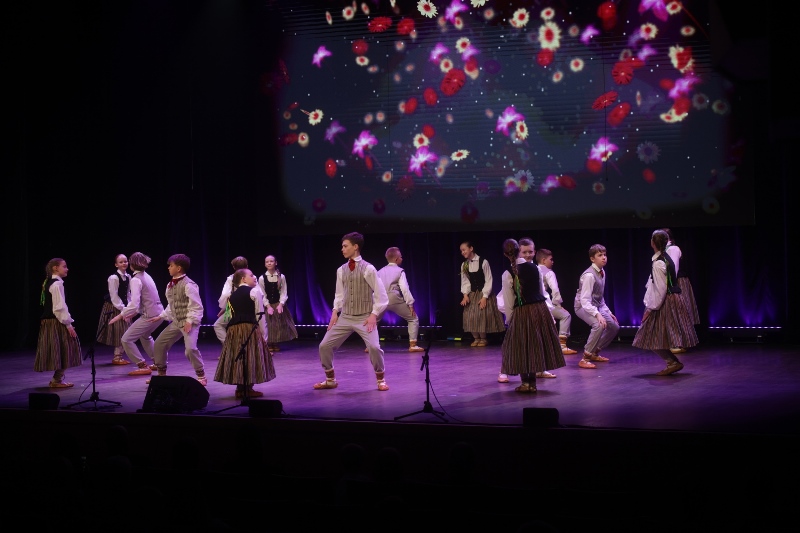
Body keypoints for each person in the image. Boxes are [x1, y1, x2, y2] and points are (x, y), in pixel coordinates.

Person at [314, 232, 390, 391]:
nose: (342, 249)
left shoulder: (368, 268)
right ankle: (330, 380)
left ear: (355, 247)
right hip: (345, 316)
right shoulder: (341, 270)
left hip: (364, 317)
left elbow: (381, 294)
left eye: (345, 246)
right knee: (324, 346)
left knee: (374, 347)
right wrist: (335, 312)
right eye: (342, 246)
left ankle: (381, 380)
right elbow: (339, 294)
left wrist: (373, 315)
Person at [499, 239, 565, 392]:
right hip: (539, 310)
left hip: (522, 312)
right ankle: (532, 384)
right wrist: (548, 312)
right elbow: (542, 293)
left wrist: (510, 319)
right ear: (519, 251)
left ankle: (525, 383)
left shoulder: (507, 273)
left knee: (521, 347)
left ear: (505, 255)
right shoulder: (535, 268)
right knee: (535, 345)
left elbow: (508, 301)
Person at [632, 229, 697, 374]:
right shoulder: (665, 259)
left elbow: (661, 289)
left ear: (652, 243)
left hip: (664, 301)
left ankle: (672, 362)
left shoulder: (659, 263)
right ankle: (672, 362)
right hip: (671, 299)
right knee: (656, 335)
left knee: (650, 335)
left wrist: (650, 309)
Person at [214, 268, 276, 398]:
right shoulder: (254, 291)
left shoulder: (232, 296)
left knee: (239, 355)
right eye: (251, 275)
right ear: (243, 279)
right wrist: (263, 336)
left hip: (234, 330)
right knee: (250, 356)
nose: (254, 277)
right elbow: (259, 315)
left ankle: (240, 388)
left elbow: (230, 315)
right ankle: (247, 388)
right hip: (249, 328)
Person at [146, 254, 207, 385]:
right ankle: (161, 375)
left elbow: (196, 305)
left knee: (190, 349)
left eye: (171, 265)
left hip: (189, 322)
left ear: (178, 268)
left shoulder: (189, 285)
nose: (168, 268)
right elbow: (172, 305)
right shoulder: (170, 285)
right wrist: (161, 316)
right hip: (177, 322)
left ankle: (201, 375)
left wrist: (189, 321)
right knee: (159, 344)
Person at [108, 252, 165, 377]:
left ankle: (142, 365)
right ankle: (158, 362)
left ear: (132, 265)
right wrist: (133, 313)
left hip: (150, 315)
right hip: (159, 313)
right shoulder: (147, 276)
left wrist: (120, 315)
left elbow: (134, 303)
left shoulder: (135, 279)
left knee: (126, 339)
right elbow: (146, 299)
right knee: (145, 336)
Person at [34, 258, 82, 388]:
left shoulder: (51, 282)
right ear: (55, 268)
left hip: (50, 322)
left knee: (63, 350)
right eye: (64, 266)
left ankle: (57, 379)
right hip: (56, 322)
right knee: (66, 349)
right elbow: (59, 307)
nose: (67, 269)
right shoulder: (56, 284)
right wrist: (68, 324)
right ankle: (56, 380)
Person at [574, 243, 620, 369]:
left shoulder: (602, 272)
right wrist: (597, 315)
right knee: (598, 325)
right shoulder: (589, 275)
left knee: (614, 326)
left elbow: (599, 297)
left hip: (596, 306)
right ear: (592, 259)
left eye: (604, 255)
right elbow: (584, 300)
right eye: (600, 255)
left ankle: (595, 352)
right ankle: (585, 358)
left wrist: (608, 312)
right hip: (582, 306)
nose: (604, 257)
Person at [375, 247, 425, 352]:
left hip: (380, 299)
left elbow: (374, 288)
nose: (402, 258)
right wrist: (410, 304)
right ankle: (413, 345)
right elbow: (405, 288)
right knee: (413, 318)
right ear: (396, 259)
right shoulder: (399, 271)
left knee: (373, 321)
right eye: (401, 257)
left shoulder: (379, 272)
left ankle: (371, 346)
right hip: (394, 299)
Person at [661, 227, 700, 354]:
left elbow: (674, 268)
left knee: (678, 312)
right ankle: (675, 342)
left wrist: (669, 285)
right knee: (672, 313)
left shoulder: (673, 249)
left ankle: (680, 342)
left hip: (677, 282)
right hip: (670, 282)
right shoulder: (663, 250)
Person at [459, 240, 505, 347]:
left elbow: (489, 279)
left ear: (471, 248)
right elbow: (465, 281)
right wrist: (465, 295)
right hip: (472, 293)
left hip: (483, 292)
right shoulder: (464, 265)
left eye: (464, 250)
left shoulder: (483, 262)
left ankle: (483, 338)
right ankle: (476, 338)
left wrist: (485, 296)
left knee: (481, 315)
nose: (462, 252)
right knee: (470, 316)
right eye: (461, 251)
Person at [534, 246, 579, 357]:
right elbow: (555, 290)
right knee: (566, 315)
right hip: (543, 304)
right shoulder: (549, 272)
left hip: (531, 305)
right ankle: (562, 346)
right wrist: (557, 304)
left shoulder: (533, 269)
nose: (553, 262)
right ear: (544, 260)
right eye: (551, 259)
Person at [96, 253, 132, 365]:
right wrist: (123, 309)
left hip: (124, 306)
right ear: (116, 265)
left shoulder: (128, 277)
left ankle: (119, 356)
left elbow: (128, 293)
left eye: (125, 261)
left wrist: (130, 307)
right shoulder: (113, 278)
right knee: (118, 332)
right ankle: (117, 357)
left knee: (126, 331)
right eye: (121, 262)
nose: (124, 263)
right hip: (114, 307)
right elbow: (114, 296)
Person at [258, 254, 298, 352]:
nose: (269, 263)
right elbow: (262, 294)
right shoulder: (262, 278)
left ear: (276, 263)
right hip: (267, 304)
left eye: (271, 261)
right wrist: (268, 306)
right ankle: (269, 343)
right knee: (268, 324)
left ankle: (275, 342)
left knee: (277, 324)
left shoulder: (281, 276)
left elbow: (284, 292)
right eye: (267, 262)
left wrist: (281, 304)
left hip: (278, 303)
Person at [212, 256, 250, 345]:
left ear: (233, 267)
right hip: (248, 310)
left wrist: (225, 307)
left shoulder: (231, 278)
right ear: (247, 266)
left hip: (234, 310)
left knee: (218, 325)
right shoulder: (252, 277)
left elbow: (225, 295)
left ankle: (229, 346)